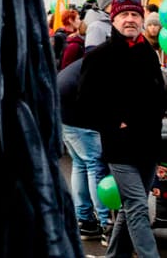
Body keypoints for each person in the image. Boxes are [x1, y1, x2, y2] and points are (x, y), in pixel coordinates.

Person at [79, 0, 166, 258]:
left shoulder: (148, 52)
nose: (130, 20)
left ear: (142, 19)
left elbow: (157, 93)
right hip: (121, 147)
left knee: (130, 207)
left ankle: (114, 255)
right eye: (124, 15)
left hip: (149, 144)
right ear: (113, 20)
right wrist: (114, 123)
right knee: (138, 205)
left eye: (135, 15)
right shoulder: (99, 56)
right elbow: (84, 103)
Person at [56, 54, 110, 241]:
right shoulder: (109, 62)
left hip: (63, 111)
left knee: (81, 163)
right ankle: (106, 225)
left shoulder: (93, 58)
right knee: (95, 165)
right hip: (76, 113)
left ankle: (85, 220)